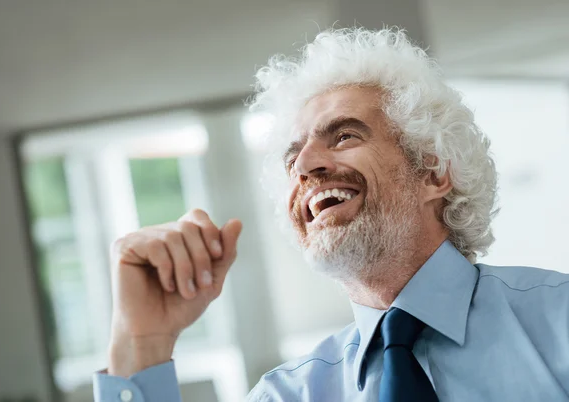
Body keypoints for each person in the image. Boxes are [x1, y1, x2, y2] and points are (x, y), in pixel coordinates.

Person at [93, 27, 569, 402]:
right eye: (291, 158)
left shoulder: (560, 322)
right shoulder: (285, 396)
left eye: (343, 136)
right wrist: (142, 345)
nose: (303, 167)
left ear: (433, 172)